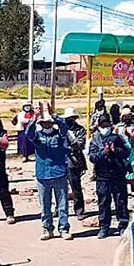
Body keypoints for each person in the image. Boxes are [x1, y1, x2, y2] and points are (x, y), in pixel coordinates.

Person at [27, 103, 72, 241]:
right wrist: (34, 117)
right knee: (45, 205)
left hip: (59, 173)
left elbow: (64, 126)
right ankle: (47, 229)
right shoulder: (37, 136)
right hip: (43, 175)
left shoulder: (59, 135)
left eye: (49, 122)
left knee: (62, 204)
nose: (47, 125)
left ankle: (64, 228)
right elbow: (28, 133)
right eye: (44, 123)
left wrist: (53, 114)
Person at [88, 114, 131, 238]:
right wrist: (103, 152)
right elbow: (92, 157)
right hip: (102, 176)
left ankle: (123, 224)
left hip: (118, 175)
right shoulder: (95, 139)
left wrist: (115, 150)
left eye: (107, 125)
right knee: (103, 202)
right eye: (103, 125)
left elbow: (127, 152)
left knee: (121, 201)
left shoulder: (117, 138)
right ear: (99, 126)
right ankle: (104, 227)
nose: (105, 127)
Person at [63, 108, 88, 217]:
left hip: (74, 161)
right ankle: (60, 209)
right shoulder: (61, 129)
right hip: (61, 161)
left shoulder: (80, 129)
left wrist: (70, 141)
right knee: (60, 188)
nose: (69, 121)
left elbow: (80, 144)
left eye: (71, 119)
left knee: (76, 187)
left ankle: (79, 210)